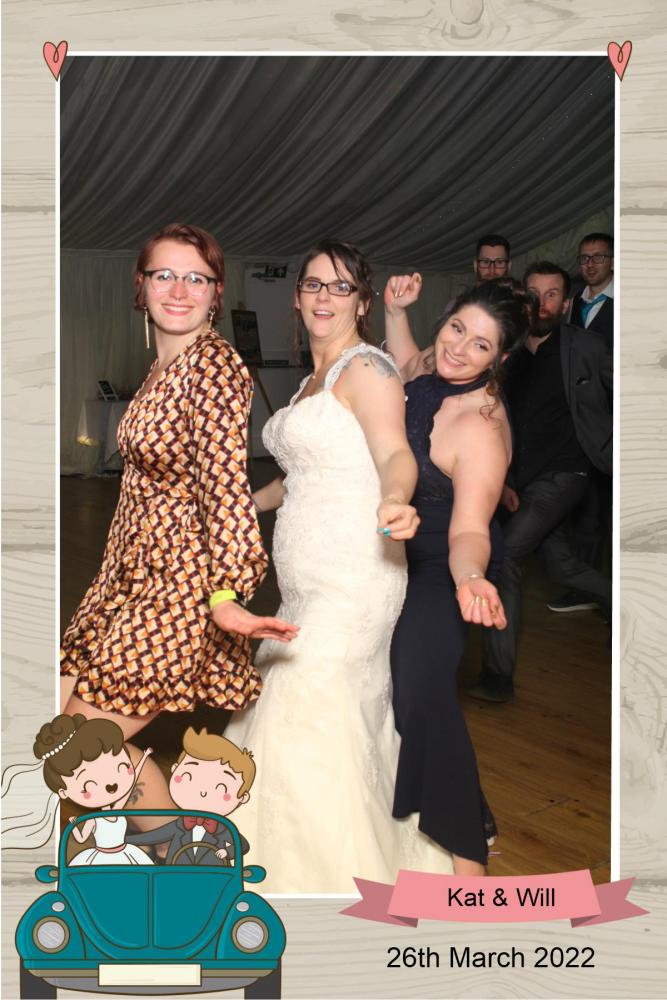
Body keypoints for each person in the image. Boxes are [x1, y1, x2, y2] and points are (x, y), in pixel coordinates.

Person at [224, 239, 455, 891]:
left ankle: (323, 880)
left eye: (341, 286)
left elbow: (394, 454)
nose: (325, 296)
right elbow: (297, 478)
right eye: (314, 284)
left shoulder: (369, 369)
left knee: (306, 699)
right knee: (308, 704)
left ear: (361, 300)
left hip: (356, 570)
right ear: (297, 297)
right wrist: (238, 508)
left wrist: (396, 500)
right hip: (302, 579)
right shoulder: (309, 380)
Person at [59, 223, 297, 815]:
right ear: (140, 285)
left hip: (177, 589)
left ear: (217, 292)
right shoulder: (162, 367)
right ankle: (180, 852)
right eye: (164, 274)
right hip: (127, 578)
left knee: (78, 747)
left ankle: (181, 858)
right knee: (61, 734)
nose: (180, 289)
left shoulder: (214, 369)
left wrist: (227, 591)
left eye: (197, 278)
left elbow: (224, 486)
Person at [384, 273, 531, 874]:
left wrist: (470, 578)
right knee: (394, 694)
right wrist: (396, 312)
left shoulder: (481, 426)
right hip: (389, 554)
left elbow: (470, 530)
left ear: (499, 360)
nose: (459, 348)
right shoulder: (432, 366)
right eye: (456, 328)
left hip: (440, 569)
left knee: (420, 694)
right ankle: (475, 814)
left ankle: (471, 861)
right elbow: (407, 364)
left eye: (480, 344)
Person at [472, 261, 613, 703]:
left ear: (566, 303)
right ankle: (633, 605)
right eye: (534, 295)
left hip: (568, 473)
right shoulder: (507, 351)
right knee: (562, 567)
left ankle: (497, 677)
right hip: (520, 478)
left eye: (553, 295)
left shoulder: (587, 347)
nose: (543, 303)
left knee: (506, 558)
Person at [2, 713, 153, 864]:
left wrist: (143, 759)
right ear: (63, 792)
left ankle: (158, 841)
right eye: (88, 784)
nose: (110, 784)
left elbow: (129, 789)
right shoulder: (93, 820)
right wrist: (73, 825)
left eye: (122, 766)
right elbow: (81, 838)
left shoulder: (113, 811)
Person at [127, 726, 253, 865]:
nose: (203, 792)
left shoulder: (220, 828)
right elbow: (156, 835)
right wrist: (120, 842)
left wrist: (226, 852)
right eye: (189, 778)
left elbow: (243, 845)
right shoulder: (182, 824)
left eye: (220, 788)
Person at [401, 234, 513, 381]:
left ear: (509, 266)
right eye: (485, 262)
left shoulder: (516, 313)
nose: (492, 269)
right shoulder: (457, 305)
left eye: (499, 263)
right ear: (476, 266)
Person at [569, 232, 614, 349]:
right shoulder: (573, 301)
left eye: (598, 257)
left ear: (613, 263)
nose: (590, 264)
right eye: (584, 258)